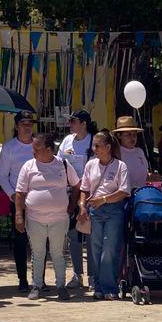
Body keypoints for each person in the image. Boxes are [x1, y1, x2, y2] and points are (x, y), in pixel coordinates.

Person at [16, 131, 79, 299]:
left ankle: (61, 286)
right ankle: (36, 285)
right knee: (37, 253)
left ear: (50, 149)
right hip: (35, 218)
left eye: (37, 148)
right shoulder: (28, 166)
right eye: (33, 148)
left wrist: (72, 206)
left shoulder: (63, 164)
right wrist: (19, 216)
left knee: (58, 253)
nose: (33, 152)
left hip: (59, 218)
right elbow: (20, 193)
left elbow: (77, 186)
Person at [81, 130, 131, 299]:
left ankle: (110, 287)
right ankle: (98, 286)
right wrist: (82, 207)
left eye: (97, 145)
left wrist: (103, 199)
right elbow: (84, 188)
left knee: (109, 249)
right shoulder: (90, 164)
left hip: (114, 210)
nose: (94, 148)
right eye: (93, 145)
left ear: (108, 147)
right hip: (95, 211)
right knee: (95, 249)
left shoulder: (120, 166)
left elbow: (124, 191)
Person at [0, 110, 38, 291]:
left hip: (38, 201)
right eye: (24, 124)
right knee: (20, 241)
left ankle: (39, 279)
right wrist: (12, 195)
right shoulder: (9, 147)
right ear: (17, 126)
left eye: (30, 123)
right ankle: (22, 279)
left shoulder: (39, 145)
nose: (27, 127)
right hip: (18, 200)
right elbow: (2, 176)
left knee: (39, 241)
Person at [59, 111, 96, 289]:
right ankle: (77, 275)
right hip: (69, 194)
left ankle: (92, 276)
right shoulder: (67, 141)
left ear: (83, 123)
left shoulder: (93, 141)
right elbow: (60, 163)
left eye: (73, 121)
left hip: (90, 194)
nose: (70, 124)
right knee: (73, 236)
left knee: (89, 236)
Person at [116, 117, 150, 190]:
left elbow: (145, 175)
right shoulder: (116, 152)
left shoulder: (140, 152)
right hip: (123, 197)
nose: (132, 138)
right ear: (119, 136)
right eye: (128, 135)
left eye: (134, 134)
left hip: (140, 195)